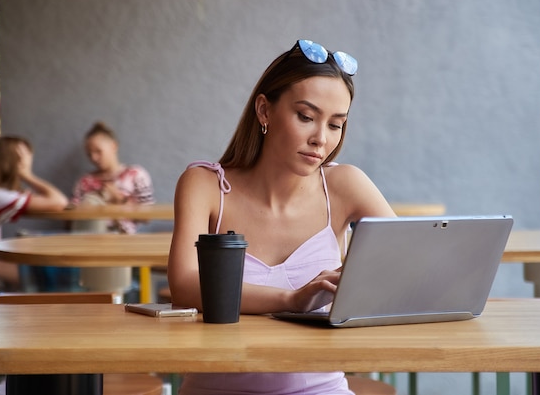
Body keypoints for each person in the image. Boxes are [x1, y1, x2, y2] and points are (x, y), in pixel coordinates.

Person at [168, 39, 396, 395]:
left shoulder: (345, 185)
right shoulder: (205, 185)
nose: (321, 139)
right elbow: (184, 285)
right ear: (264, 111)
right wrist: (291, 301)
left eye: (336, 124)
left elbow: (411, 264)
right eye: (306, 117)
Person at [0, 136, 68, 289]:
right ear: (15, 163)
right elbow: (59, 202)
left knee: (23, 271)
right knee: (30, 275)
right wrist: (27, 175)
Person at [72, 121, 154, 234]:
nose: (94, 158)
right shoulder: (84, 181)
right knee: (90, 200)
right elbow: (70, 220)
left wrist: (118, 199)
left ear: (114, 146)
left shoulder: (136, 174)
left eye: (98, 151)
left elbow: (147, 217)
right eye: (89, 154)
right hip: (88, 239)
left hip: (124, 240)